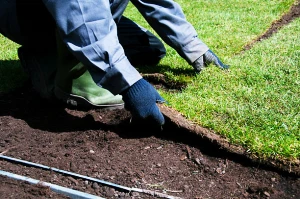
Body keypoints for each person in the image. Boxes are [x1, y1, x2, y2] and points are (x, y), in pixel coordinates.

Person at [0, 0, 229, 127]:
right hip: (34, 16)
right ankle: (45, 61)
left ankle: (76, 50)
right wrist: (130, 85)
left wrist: (193, 45)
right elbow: (80, 11)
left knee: (149, 48)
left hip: (89, 7)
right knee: (82, 69)